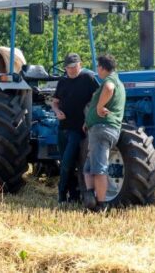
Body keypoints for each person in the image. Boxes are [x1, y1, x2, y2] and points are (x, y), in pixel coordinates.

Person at [51, 53, 99, 205]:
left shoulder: (88, 78)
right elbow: (55, 102)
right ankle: (73, 195)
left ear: (80, 65)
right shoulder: (62, 81)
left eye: (74, 66)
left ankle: (61, 195)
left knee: (66, 164)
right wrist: (57, 111)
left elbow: (97, 98)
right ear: (65, 68)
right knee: (67, 164)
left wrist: (91, 117)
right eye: (69, 67)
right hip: (62, 129)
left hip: (77, 129)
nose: (71, 70)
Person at [82, 54, 126, 212]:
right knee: (88, 168)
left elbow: (108, 89)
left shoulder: (110, 80)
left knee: (99, 170)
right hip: (100, 129)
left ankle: (101, 205)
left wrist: (100, 107)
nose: (97, 70)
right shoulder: (119, 81)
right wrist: (88, 121)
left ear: (101, 67)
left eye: (97, 67)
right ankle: (90, 197)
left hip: (102, 129)